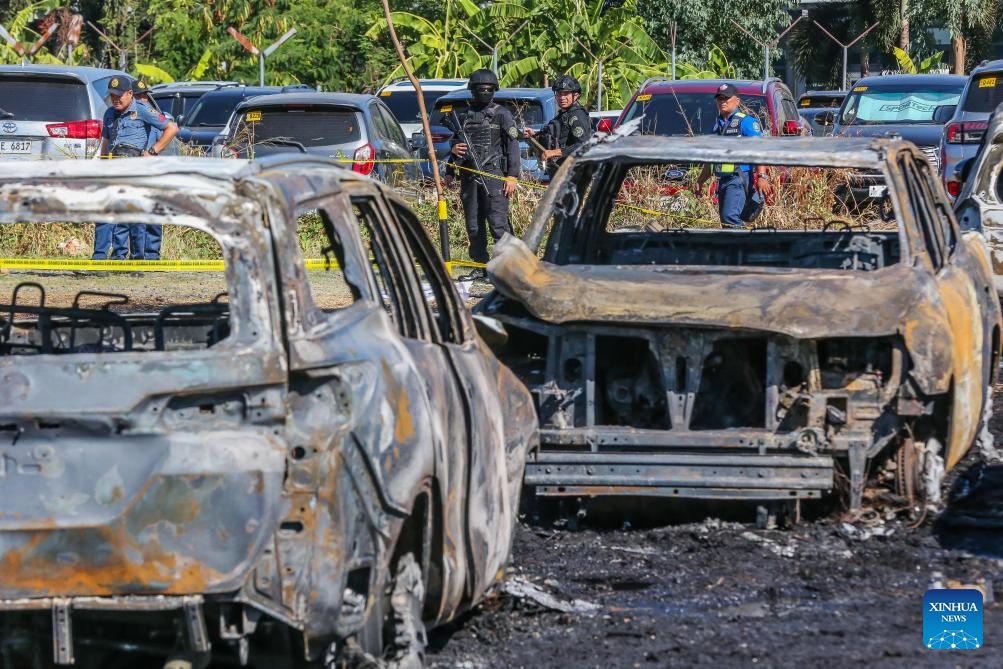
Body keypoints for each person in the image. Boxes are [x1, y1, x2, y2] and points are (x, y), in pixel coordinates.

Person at [442, 68, 521, 275]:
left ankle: (508, 267)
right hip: (469, 176)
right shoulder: (464, 117)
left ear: (494, 90)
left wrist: (512, 175)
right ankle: (480, 266)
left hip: (494, 176)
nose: (484, 92)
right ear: (472, 90)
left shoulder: (502, 115)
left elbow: (513, 146)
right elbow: (460, 145)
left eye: (488, 88)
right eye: (480, 89)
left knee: (498, 223)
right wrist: (450, 165)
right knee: (473, 225)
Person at [92, 76, 178, 260]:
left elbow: (171, 128)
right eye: (112, 95)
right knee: (104, 213)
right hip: (114, 170)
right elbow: (106, 142)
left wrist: (153, 151)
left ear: (130, 94)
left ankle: (138, 260)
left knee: (135, 217)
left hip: (136, 170)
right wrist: (102, 167)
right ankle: (99, 259)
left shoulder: (143, 110)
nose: (115, 99)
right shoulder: (109, 114)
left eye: (119, 95)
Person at [696, 83, 771, 228]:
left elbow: (760, 150)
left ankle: (741, 248)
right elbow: (711, 159)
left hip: (738, 178)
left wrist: (762, 177)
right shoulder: (717, 126)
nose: (722, 101)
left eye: (726, 98)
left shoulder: (746, 122)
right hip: (723, 180)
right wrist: (700, 180)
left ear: (737, 100)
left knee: (730, 218)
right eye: (719, 98)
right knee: (727, 221)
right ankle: (737, 247)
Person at [131, 78, 172, 260]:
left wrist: (153, 152)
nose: (143, 99)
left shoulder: (154, 114)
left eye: (144, 96)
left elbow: (168, 133)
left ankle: (152, 255)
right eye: (139, 96)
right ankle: (137, 255)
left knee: (154, 213)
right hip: (135, 169)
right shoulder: (129, 115)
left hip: (153, 168)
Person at [524, 74, 592, 177]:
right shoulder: (563, 115)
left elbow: (584, 144)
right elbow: (557, 138)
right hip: (558, 173)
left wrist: (554, 152)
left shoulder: (577, 115)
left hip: (572, 175)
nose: (562, 97)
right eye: (559, 93)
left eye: (566, 94)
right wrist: (534, 135)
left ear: (576, 95)